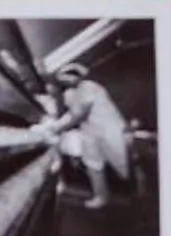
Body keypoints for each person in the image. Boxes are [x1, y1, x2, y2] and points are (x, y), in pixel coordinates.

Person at [43, 62, 134, 209]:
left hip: (110, 132)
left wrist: (54, 127)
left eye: (67, 78)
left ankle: (142, 196)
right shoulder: (74, 92)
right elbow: (71, 114)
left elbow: (77, 114)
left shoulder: (89, 87)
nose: (64, 81)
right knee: (93, 166)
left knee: (124, 166)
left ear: (76, 76)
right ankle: (101, 196)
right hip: (90, 133)